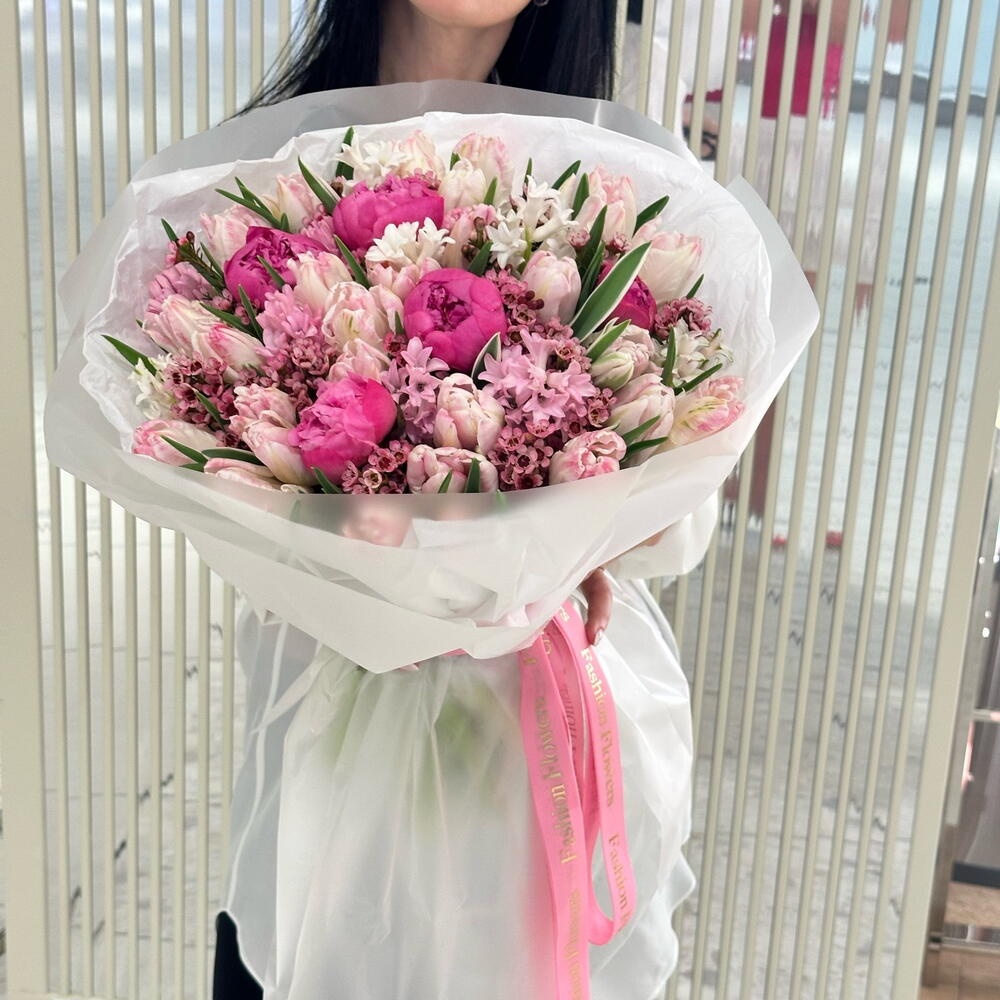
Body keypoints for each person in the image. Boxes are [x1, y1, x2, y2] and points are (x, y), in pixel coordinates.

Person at [212, 2, 712, 997]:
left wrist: (575, 540)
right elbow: (218, 477)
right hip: (327, 778)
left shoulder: (615, 176)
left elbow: (680, 505)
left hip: (531, 796)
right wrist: (386, 569)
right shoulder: (269, 171)